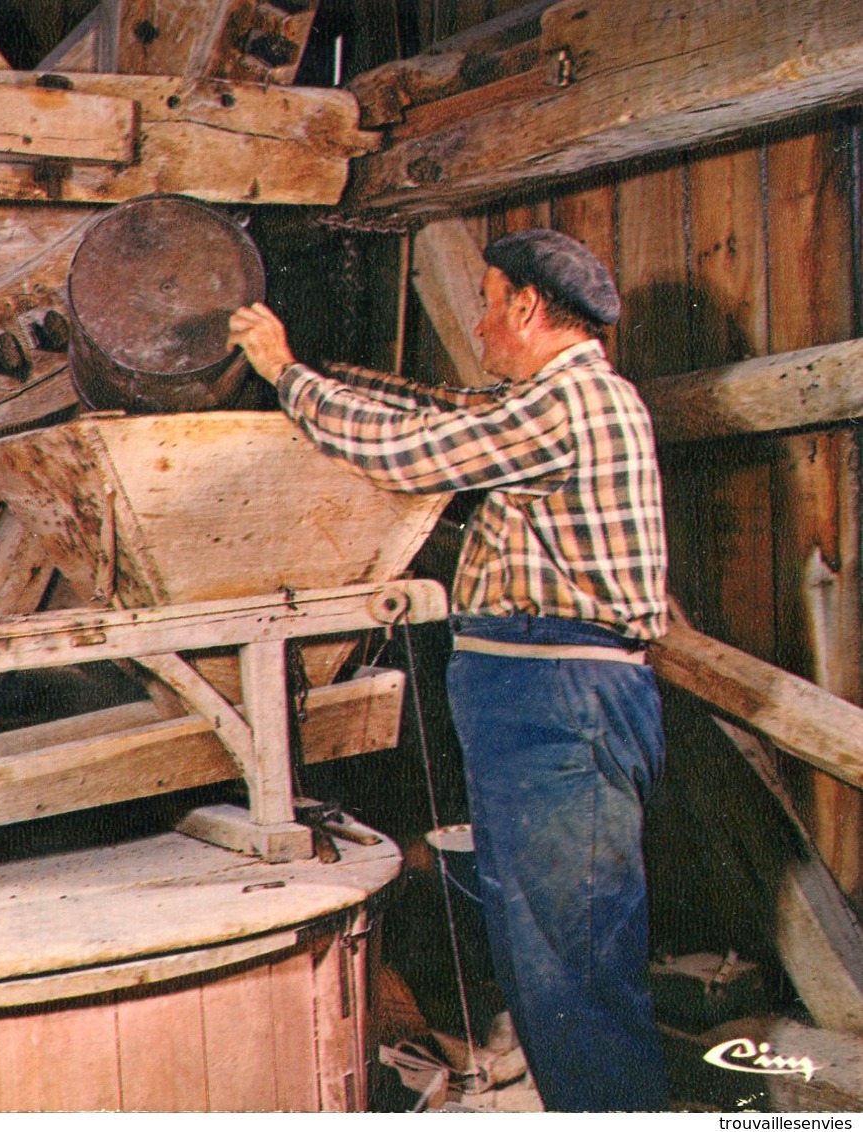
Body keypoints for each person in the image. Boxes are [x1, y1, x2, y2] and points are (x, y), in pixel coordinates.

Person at [228, 228, 669, 1112]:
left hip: (559, 700)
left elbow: (411, 454)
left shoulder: (573, 403)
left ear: (527, 307)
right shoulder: (548, 400)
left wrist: (286, 376)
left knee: (571, 959)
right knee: (543, 946)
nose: (477, 318)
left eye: (484, 299)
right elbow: (440, 409)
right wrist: (326, 370)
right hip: (534, 701)